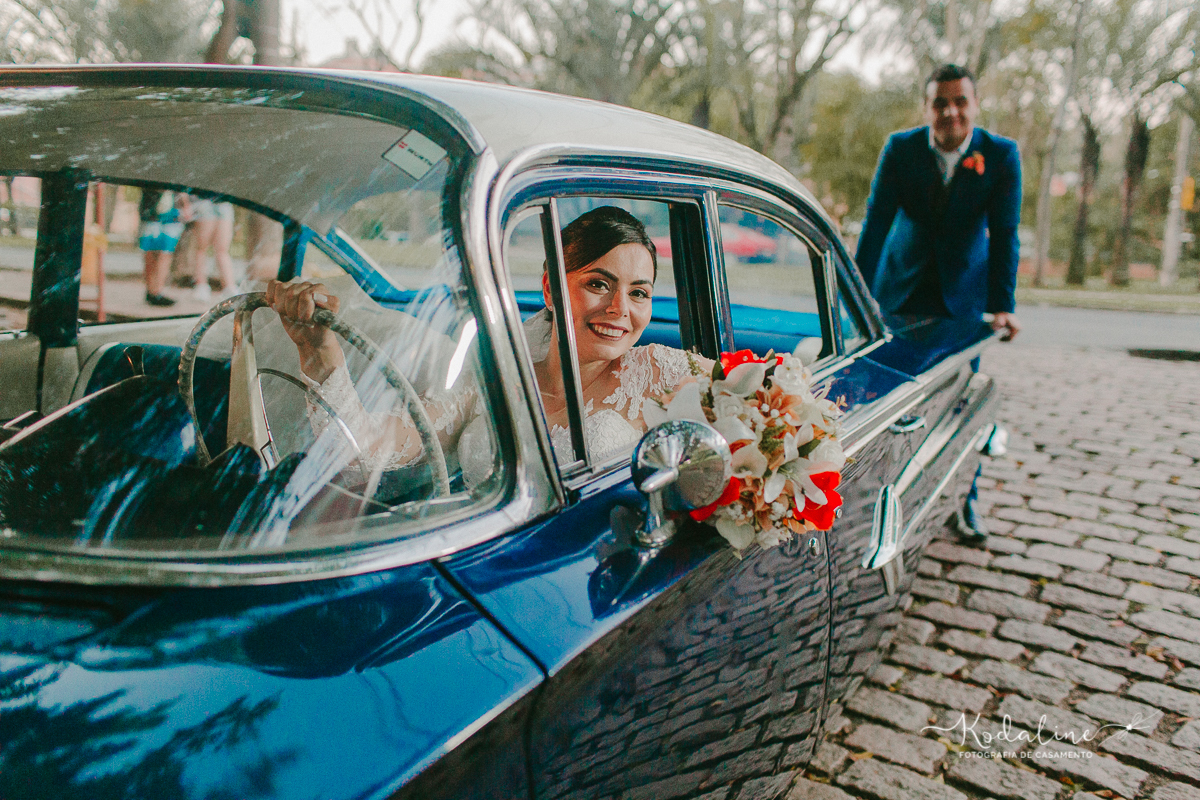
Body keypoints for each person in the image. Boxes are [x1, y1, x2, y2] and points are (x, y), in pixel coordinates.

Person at [264, 206, 711, 475]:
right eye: (598, 284)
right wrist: (319, 354)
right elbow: (365, 451)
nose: (619, 309)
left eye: (639, 293)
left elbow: (752, 399)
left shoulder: (660, 371)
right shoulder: (495, 377)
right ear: (551, 289)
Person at [855, 63, 1022, 542]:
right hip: (897, 290)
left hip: (962, 298)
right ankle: (876, 503)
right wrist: (854, 295)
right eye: (940, 103)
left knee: (959, 404)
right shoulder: (900, 148)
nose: (951, 112)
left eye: (960, 101)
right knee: (885, 398)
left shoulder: (1001, 155)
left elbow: (1005, 234)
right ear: (926, 107)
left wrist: (1003, 304)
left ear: (974, 104)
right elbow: (876, 222)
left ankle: (963, 503)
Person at [138, 189, 192, 307]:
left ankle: (158, 290)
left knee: (166, 253)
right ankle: (151, 290)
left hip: (172, 214)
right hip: (151, 210)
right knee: (150, 253)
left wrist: (185, 205)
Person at [187, 197, 237, 302]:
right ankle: (201, 286)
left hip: (224, 203)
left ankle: (230, 288)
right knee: (201, 247)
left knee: (222, 249)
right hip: (203, 202)